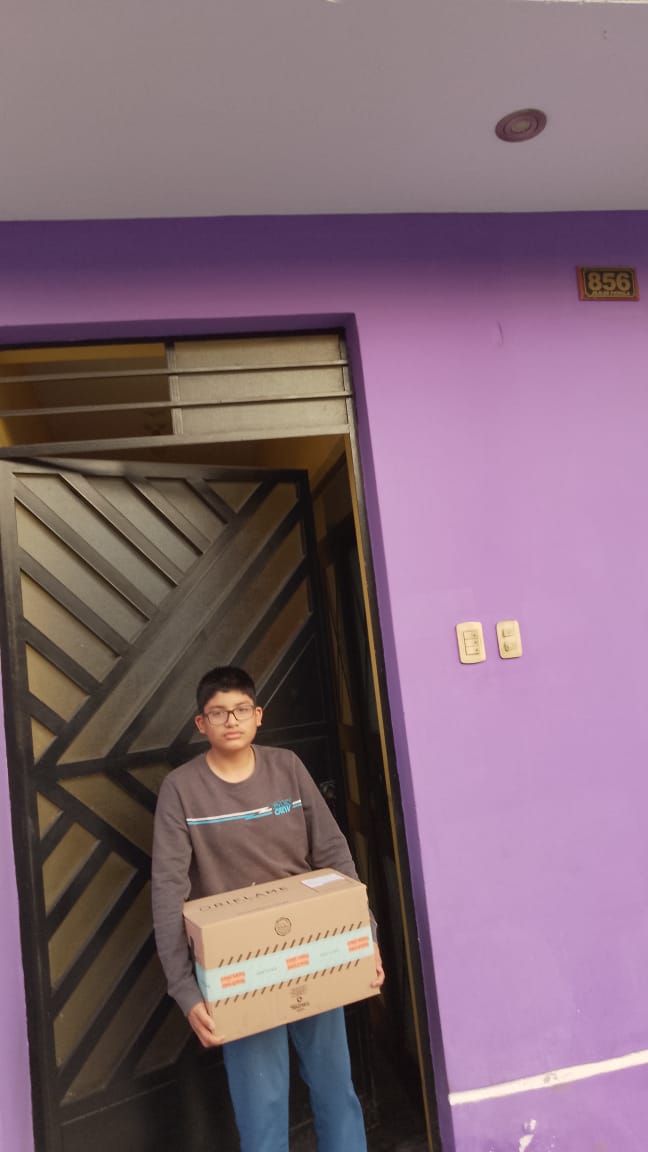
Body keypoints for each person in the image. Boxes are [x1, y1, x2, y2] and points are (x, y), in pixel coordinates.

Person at [152, 665, 384, 1152]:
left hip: (316, 949)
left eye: (241, 710)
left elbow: (334, 854)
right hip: (239, 968)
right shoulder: (182, 788)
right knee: (262, 1107)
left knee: (336, 1091)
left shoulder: (287, 768)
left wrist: (365, 937)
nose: (231, 720)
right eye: (218, 713)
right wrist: (185, 990)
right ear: (201, 724)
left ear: (258, 715)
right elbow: (169, 891)